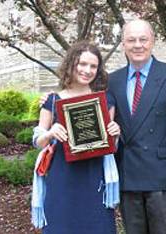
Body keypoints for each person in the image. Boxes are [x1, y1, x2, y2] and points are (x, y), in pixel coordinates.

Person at [106, 19, 166, 234]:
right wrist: (53, 101)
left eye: (143, 39)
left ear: (152, 41)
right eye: (131, 40)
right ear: (123, 44)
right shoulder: (112, 80)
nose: (137, 45)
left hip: (162, 176)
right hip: (128, 175)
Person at [33, 41, 120, 234]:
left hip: (95, 179)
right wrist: (50, 133)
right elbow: (39, 142)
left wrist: (115, 133)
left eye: (93, 66)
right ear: (71, 64)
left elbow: (110, 146)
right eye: (82, 64)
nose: (87, 70)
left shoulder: (105, 100)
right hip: (62, 178)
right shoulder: (52, 100)